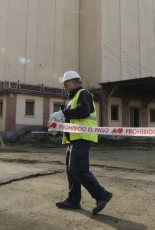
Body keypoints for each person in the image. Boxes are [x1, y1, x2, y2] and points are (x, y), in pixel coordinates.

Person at [49, 70, 112, 215]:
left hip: (82, 138)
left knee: (78, 169)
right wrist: (57, 126)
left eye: (66, 85)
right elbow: (73, 117)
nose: (65, 88)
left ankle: (102, 195)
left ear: (73, 82)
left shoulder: (83, 94)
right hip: (73, 139)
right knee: (71, 169)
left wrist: (63, 113)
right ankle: (73, 200)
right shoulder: (72, 99)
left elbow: (84, 111)